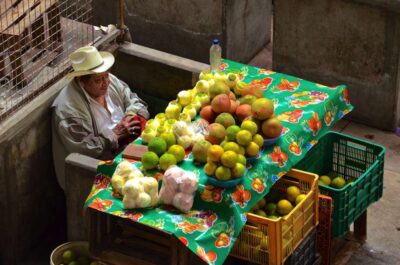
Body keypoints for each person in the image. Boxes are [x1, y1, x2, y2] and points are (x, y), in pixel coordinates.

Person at [52, 46, 149, 190]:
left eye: (107, 76)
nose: (106, 83)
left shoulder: (109, 81)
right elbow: (86, 148)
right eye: (98, 80)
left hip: (123, 152)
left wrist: (130, 117)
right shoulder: (68, 111)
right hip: (93, 169)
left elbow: (135, 102)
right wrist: (115, 134)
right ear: (81, 81)